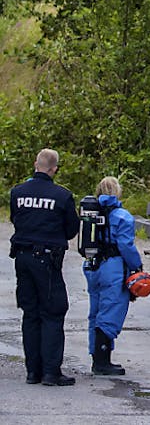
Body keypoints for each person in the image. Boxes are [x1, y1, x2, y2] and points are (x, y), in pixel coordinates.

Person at [9, 148, 79, 386]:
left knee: (30, 313)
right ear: (54, 169)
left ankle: (33, 371)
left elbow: (15, 219)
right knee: (53, 312)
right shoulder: (62, 196)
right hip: (47, 260)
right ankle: (50, 372)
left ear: (35, 164)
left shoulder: (17, 192)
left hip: (22, 258)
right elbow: (71, 229)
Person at [83, 176, 143, 376]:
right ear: (117, 192)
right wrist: (137, 266)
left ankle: (96, 357)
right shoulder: (122, 217)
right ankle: (103, 362)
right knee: (111, 312)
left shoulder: (91, 213)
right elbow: (125, 245)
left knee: (96, 313)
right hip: (113, 268)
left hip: (92, 266)